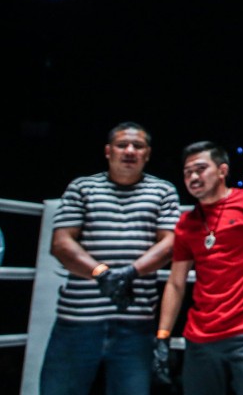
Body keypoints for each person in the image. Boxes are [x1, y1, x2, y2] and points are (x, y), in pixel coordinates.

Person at [39, 121, 181, 395]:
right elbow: (61, 243)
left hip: (136, 321)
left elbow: (170, 244)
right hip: (76, 319)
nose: (129, 151)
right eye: (122, 145)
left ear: (147, 153)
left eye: (137, 146)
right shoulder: (82, 187)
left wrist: (129, 272)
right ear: (108, 151)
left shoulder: (162, 191)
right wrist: (101, 273)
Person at [153, 140, 243, 394]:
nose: (193, 177)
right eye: (187, 172)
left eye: (200, 169)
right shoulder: (186, 222)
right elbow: (175, 283)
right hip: (199, 336)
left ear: (222, 170)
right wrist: (163, 336)